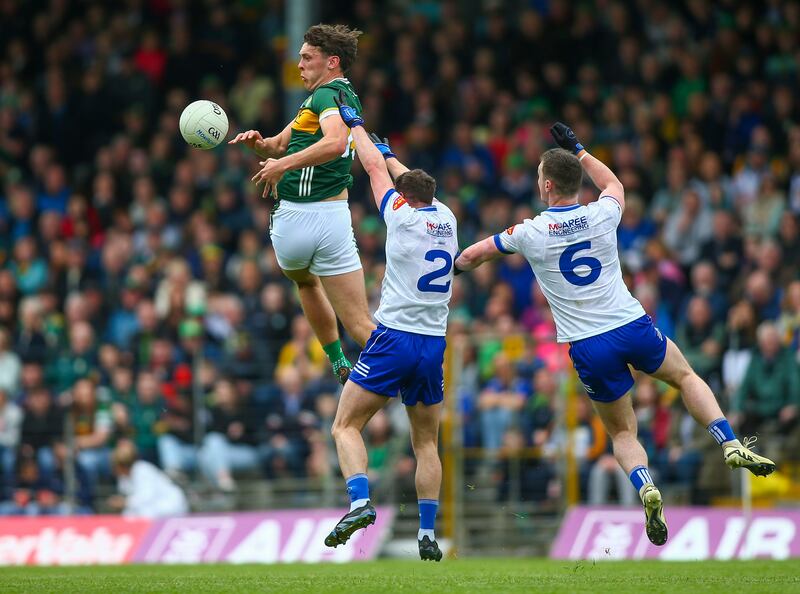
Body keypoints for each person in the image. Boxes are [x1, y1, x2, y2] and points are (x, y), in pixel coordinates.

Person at [455, 122, 775, 547]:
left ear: (547, 185)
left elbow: (473, 255)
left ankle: (645, 484)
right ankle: (729, 441)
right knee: (685, 377)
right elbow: (615, 184)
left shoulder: (529, 231)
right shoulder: (601, 214)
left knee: (623, 433)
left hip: (589, 345)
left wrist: (453, 268)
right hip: (630, 324)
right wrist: (579, 149)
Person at [325, 93, 459, 562]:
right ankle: (427, 532)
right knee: (426, 442)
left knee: (345, 425)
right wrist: (390, 152)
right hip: (433, 344)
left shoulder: (400, 217)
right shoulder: (447, 218)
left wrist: (356, 126)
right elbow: (403, 176)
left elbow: (373, 170)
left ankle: (359, 501)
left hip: (394, 338)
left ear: (406, 197)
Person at [229, 24, 373, 384]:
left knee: (306, 283)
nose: (299, 65)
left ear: (332, 62)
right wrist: (258, 144)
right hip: (334, 220)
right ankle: (406, 373)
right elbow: (278, 145)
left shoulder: (327, 95)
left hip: (295, 219)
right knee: (361, 325)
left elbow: (335, 143)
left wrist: (282, 165)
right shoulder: (332, 98)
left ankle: (336, 358)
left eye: (307, 57)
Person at [109, 440, 188, 518]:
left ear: (121, 465)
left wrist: (124, 502)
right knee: (128, 514)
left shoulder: (142, 469)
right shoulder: (123, 477)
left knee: (143, 513)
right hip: (153, 506)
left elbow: (146, 497)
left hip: (170, 504)